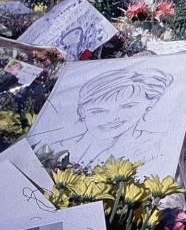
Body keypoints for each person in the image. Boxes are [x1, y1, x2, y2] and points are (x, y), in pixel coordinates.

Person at [43, 68, 173, 166]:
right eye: (98, 111)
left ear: (150, 104)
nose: (112, 118)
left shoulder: (156, 146)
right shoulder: (55, 149)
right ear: (82, 111)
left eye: (128, 106)